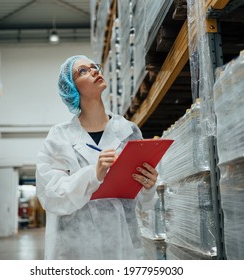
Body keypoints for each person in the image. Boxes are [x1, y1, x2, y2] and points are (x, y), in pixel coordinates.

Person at [36, 55, 160, 260]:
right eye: (83, 71)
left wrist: (149, 186)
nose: (94, 70)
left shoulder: (128, 131)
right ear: (71, 88)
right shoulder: (60, 137)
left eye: (94, 66)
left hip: (124, 246)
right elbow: (50, 195)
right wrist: (93, 174)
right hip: (75, 250)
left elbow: (142, 206)